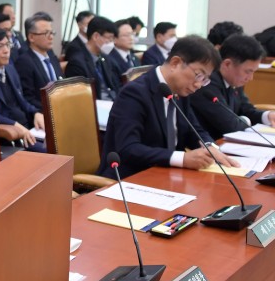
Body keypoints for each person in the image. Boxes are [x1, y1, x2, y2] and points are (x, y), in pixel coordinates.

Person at [98, 36, 239, 178]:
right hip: (130, 178)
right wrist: (182, 159)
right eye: (198, 75)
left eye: (205, 79)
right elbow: (128, 148)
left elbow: (194, 130)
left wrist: (210, 147)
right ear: (175, 63)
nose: (198, 85)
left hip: (166, 174)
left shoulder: (180, 90)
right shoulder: (134, 93)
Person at [190, 34, 274, 139]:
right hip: (209, 146)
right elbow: (230, 126)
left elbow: (246, 109)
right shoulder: (207, 83)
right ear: (227, 64)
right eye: (248, 71)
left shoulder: (233, 79)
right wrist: (245, 120)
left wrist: (267, 116)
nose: (250, 78)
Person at [64, 16, 121, 101]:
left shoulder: (106, 59)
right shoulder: (77, 63)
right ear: (96, 36)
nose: (111, 43)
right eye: (109, 38)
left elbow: (115, 86)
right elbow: (79, 98)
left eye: (113, 39)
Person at [14, 12, 63, 110]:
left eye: (52, 32)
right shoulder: (24, 62)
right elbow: (28, 98)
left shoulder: (52, 57)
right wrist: (53, 109)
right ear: (31, 37)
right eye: (46, 33)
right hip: (42, 114)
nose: (51, 37)